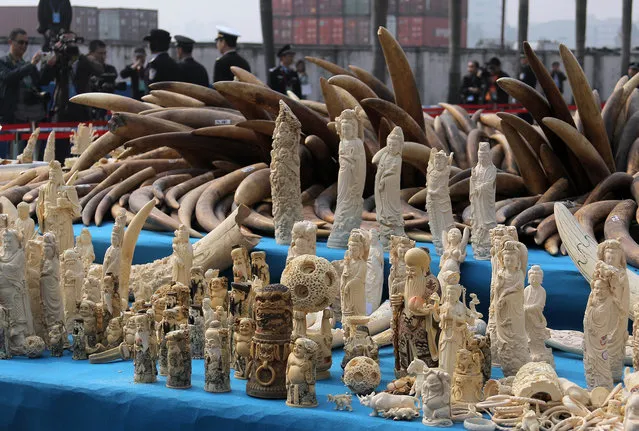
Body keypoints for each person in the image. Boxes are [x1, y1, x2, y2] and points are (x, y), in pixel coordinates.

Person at [0, 28, 47, 125]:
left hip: (32, 116)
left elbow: (41, 82)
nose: (24, 46)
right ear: (10, 42)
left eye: (26, 43)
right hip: (12, 117)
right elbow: (9, 77)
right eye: (21, 42)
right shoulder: (3, 62)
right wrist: (31, 64)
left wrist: (49, 66)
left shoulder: (28, 65)